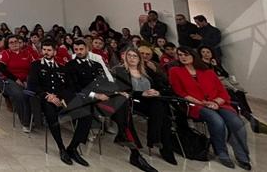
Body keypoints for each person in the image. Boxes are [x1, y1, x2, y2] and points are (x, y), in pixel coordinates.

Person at [64, 40, 157, 172]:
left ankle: (135, 153)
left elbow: (106, 83)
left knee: (123, 107)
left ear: (87, 49)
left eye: (81, 49)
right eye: (76, 49)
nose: (78, 52)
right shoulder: (70, 65)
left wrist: (116, 92)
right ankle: (72, 149)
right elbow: (73, 87)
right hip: (84, 98)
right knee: (90, 114)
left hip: (102, 98)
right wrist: (95, 95)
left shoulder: (96, 65)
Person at [169, 47, 251, 169]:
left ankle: (242, 156)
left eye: (186, 54)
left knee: (236, 122)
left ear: (193, 55)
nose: (182, 57)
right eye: (180, 55)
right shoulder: (175, 71)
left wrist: (216, 103)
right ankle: (222, 153)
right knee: (217, 121)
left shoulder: (208, 71)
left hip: (218, 103)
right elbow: (180, 92)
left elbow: (223, 93)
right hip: (195, 105)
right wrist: (202, 103)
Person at [27, 39, 91, 167]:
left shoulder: (62, 67)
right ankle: (62, 148)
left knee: (86, 115)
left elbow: (69, 86)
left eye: (49, 50)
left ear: (55, 52)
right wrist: (47, 96)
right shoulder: (36, 65)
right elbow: (32, 85)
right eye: (44, 50)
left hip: (62, 99)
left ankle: (72, 148)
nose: (46, 52)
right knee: (51, 115)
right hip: (46, 100)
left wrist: (62, 98)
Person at [112, 47, 177, 165]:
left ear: (139, 59)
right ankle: (157, 142)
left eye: (135, 56)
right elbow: (122, 91)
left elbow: (164, 85)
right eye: (129, 55)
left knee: (160, 106)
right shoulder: (120, 71)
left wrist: (158, 92)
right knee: (164, 115)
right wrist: (141, 93)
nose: (132, 58)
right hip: (132, 101)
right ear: (125, 57)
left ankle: (155, 139)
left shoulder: (147, 71)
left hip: (149, 101)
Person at [199, 46, 267, 134]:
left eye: (208, 52)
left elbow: (225, 74)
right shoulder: (200, 65)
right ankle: (250, 119)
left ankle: (250, 116)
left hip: (223, 83)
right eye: (203, 52)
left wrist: (216, 66)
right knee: (233, 95)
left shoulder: (213, 62)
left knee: (240, 93)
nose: (205, 54)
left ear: (212, 54)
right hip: (215, 87)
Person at [0, 35, 38, 132]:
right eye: (11, 42)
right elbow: (1, 69)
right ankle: (26, 122)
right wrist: (16, 80)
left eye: (16, 41)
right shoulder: (5, 53)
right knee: (20, 94)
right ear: (8, 45)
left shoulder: (27, 53)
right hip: (8, 80)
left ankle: (37, 119)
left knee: (36, 92)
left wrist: (28, 80)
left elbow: (34, 67)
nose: (14, 44)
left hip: (26, 80)